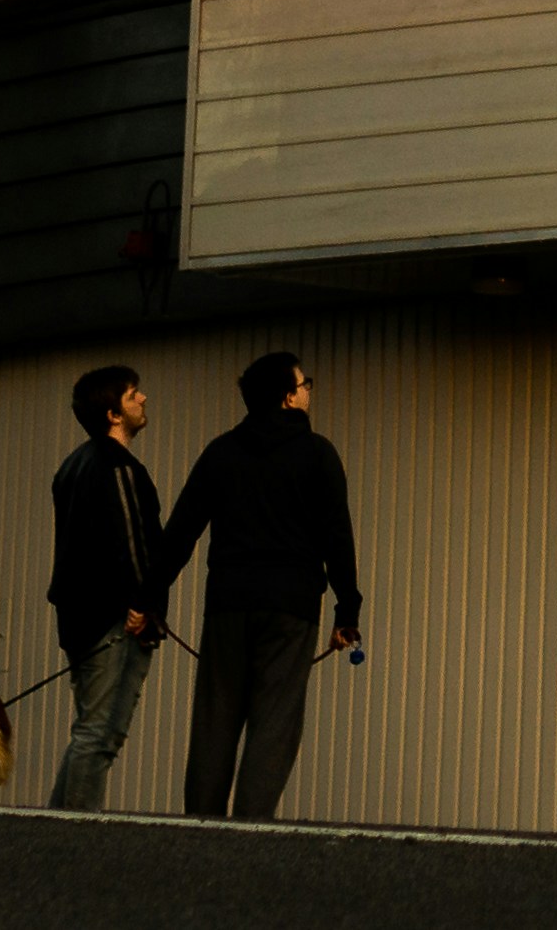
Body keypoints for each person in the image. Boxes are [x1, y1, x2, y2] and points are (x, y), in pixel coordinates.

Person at [159, 350, 362, 818]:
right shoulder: (318, 454)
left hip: (228, 603)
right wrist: (346, 611)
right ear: (289, 398)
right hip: (291, 607)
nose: (309, 389)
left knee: (216, 719)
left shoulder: (221, 452)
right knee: (274, 720)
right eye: (304, 383)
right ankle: (251, 830)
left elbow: (181, 530)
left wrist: (151, 598)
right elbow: (337, 538)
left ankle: (200, 826)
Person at [46, 364, 164, 810]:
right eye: (134, 394)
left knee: (90, 732)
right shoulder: (118, 467)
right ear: (114, 413)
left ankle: (54, 824)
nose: (143, 400)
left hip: (78, 618)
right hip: (116, 620)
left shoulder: (72, 466)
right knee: (100, 734)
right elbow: (132, 541)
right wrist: (143, 604)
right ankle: (76, 833)